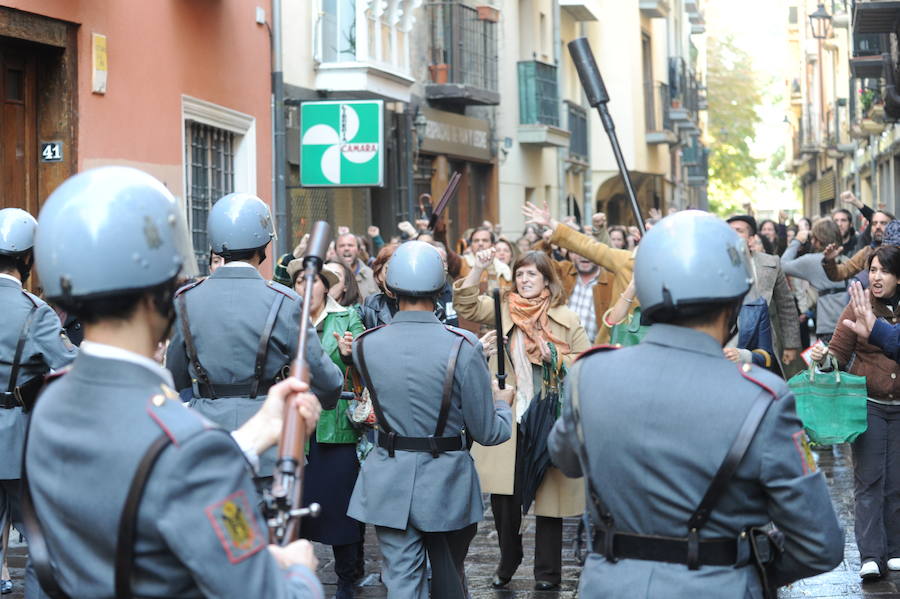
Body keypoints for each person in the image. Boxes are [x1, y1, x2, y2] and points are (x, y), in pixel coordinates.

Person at [25, 166, 324, 598]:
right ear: (164, 289)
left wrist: (253, 435)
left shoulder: (51, 400)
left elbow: (147, 467)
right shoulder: (195, 455)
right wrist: (298, 572)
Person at [549, 210, 843, 598]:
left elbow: (565, 458)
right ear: (734, 300)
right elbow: (820, 543)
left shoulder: (589, 376)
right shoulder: (764, 398)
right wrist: (750, 568)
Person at [348, 241, 513, 599]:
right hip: (447, 480)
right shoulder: (462, 344)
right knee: (449, 580)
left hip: (388, 476)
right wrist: (504, 406)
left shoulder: (365, 344)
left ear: (390, 287)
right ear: (440, 288)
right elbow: (487, 432)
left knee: (401, 582)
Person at [166, 192, 342, 480]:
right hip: (270, 442)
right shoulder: (285, 300)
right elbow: (322, 374)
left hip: (204, 439)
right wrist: (328, 395)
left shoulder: (185, 300)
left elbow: (176, 376)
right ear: (265, 244)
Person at [453, 248, 590, 591]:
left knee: (549, 500)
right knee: (504, 500)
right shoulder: (502, 309)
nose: (525, 280)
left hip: (548, 417)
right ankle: (509, 557)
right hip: (508, 414)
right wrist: (479, 268)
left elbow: (588, 363)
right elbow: (466, 305)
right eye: (520, 274)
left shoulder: (566, 318)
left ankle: (548, 574)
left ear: (547, 279)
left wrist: (556, 355)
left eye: (532, 274)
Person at [0, 208, 78, 599]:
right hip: (18, 434)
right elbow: (68, 362)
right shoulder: (35, 311)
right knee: (37, 533)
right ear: (28, 258)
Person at [810, 245, 900, 580]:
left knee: (896, 482)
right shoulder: (858, 304)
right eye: (872, 270)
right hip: (869, 406)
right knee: (869, 479)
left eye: (884, 271)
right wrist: (823, 358)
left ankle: (894, 549)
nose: (876, 277)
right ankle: (871, 554)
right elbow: (836, 354)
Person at [287, 260, 366, 598]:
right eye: (299, 281)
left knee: (342, 512)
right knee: (295, 511)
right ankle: (294, 577)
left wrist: (350, 356)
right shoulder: (286, 318)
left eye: (312, 280)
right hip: (295, 429)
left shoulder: (347, 317)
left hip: (336, 429)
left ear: (325, 286)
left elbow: (367, 364)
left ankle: (348, 579)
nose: (305, 287)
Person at [523, 201, 634, 345]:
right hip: (562, 352)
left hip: (597, 353)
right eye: (578, 252)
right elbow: (537, 264)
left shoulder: (613, 279)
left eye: (588, 254)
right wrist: (546, 238)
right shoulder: (563, 272)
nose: (583, 256)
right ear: (570, 254)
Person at [727, 215, 801, 373]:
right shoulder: (714, 264)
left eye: (739, 231)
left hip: (762, 341)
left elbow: (786, 306)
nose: (732, 234)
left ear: (751, 238)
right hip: (727, 341)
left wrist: (791, 344)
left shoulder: (771, 263)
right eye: (729, 230)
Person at [780, 218, 848, 343]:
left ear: (818, 241)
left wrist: (797, 241)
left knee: (828, 362)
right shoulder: (846, 259)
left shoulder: (812, 261)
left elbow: (782, 265)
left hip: (827, 327)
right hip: (849, 325)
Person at [822, 210, 893, 283]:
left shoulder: (896, 251)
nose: (878, 226)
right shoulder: (867, 251)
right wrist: (829, 260)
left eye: (883, 223)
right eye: (874, 223)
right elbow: (840, 273)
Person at [337, 232, 379, 299]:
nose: (346, 248)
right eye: (342, 246)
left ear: (359, 250)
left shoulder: (371, 275)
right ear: (335, 250)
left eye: (350, 245)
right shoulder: (329, 275)